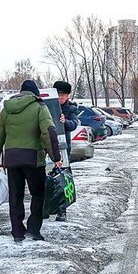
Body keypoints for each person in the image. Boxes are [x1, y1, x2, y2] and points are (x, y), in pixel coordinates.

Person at [0, 80, 62, 242]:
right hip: (33, 159)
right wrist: (56, 157)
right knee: (38, 194)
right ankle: (33, 230)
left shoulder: (6, 109)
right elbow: (48, 132)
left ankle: (17, 232)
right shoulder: (39, 107)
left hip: (12, 160)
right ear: (35, 93)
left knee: (15, 196)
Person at [53, 81, 79, 222]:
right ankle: (47, 207)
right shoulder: (47, 105)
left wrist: (65, 122)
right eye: (57, 94)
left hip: (63, 148)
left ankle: (62, 210)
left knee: (62, 179)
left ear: (67, 96)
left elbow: (74, 124)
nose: (59, 97)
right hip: (48, 148)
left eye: (62, 95)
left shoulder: (70, 109)